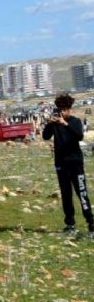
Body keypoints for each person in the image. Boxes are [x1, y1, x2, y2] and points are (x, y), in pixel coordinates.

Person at [42, 93, 92, 238]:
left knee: (82, 193)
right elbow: (45, 136)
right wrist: (50, 123)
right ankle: (70, 224)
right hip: (61, 164)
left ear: (69, 109)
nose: (62, 112)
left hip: (75, 163)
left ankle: (91, 224)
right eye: (60, 109)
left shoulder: (75, 122)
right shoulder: (54, 124)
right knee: (66, 195)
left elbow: (79, 136)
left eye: (65, 109)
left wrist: (66, 124)